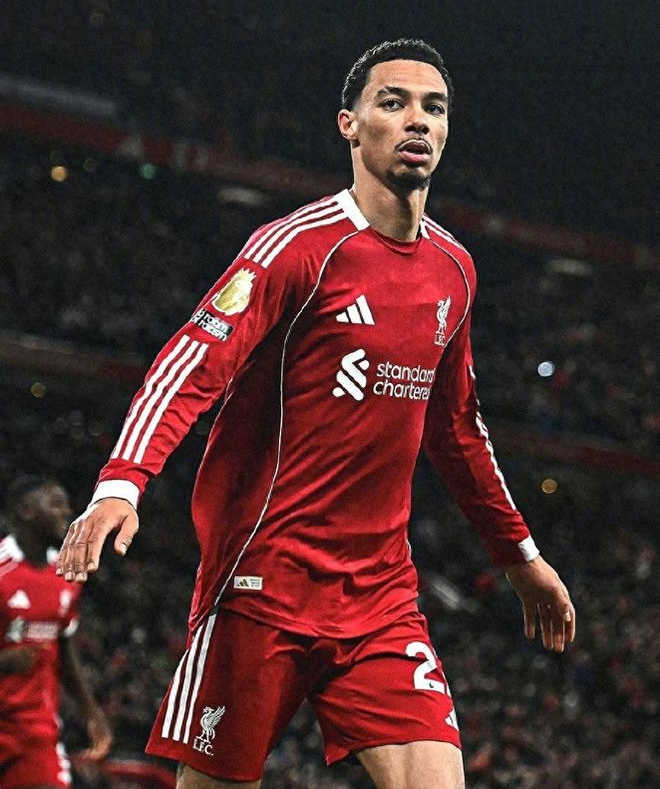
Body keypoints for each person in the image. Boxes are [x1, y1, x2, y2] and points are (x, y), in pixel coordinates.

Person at [57, 39, 575, 789]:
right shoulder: (296, 248)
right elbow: (192, 364)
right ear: (348, 124)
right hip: (262, 584)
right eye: (393, 102)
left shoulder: (454, 270)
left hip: (381, 598)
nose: (417, 120)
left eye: (433, 107)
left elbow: (458, 429)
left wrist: (520, 557)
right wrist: (121, 483)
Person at [1, 475, 113, 789]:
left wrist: (92, 712)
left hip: (34, 731)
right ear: (26, 510)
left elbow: (64, 649)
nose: (66, 512)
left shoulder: (66, 576)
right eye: (55, 504)